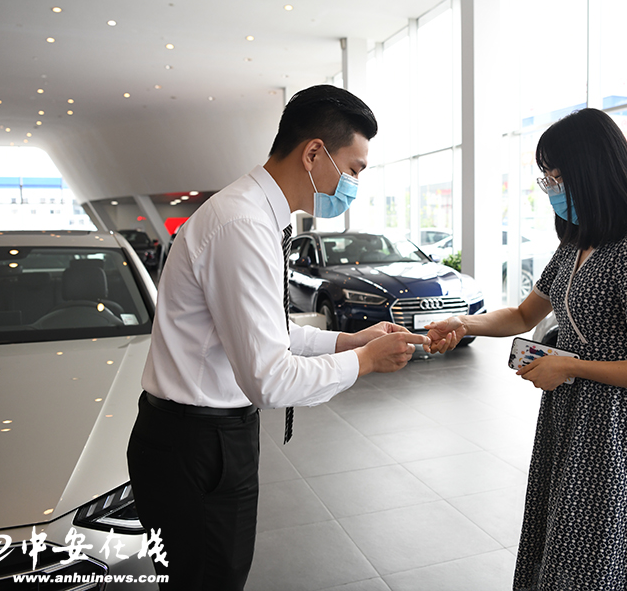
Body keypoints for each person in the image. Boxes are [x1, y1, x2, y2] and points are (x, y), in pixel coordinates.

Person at [127, 84, 430, 591]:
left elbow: (267, 330)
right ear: (314, 153)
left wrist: (349, 341)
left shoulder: (258, 216)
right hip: (195, 443)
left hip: (206, 436)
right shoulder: (241, 224)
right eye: (354, 169)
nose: (355, 184)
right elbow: (270, 379)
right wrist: (367, 361)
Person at [425, 108, 627, 591]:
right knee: (558, 544)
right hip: (566, 415)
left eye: (558, 175)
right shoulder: (576, 244)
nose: (551, 187)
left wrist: (571, 366)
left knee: (593, 559)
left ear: (594, 170)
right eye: (546, 176)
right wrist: (464, 323)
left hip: (613, 430)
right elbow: (522, 316)